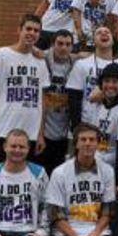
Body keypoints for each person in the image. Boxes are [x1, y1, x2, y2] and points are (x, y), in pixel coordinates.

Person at [0, 14, 51, 166]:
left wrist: (40, 134)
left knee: (28, 178)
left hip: (31, 135)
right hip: (3, 132)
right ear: (19, 30)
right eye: (28, 29)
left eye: (36, 30)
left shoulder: (40, 62)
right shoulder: (1, 55)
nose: (32, 33)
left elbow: (42, 100)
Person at [66, 25, 118, 128]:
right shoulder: (81, 64)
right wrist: (76, 127)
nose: (103, 33)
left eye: (107, 32)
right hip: (87, 124)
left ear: (113, 41)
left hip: (114, 126)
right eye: (99, 33)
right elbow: (74, 99)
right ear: (93, 41)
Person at [40, 30, 74, 174]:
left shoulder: (75, 62)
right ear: (52, 45)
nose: (63, 47)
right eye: (60, 43)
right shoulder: (43, 58)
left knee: (58, 173)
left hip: (63, 132)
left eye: (68, 44)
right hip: (43, 131)